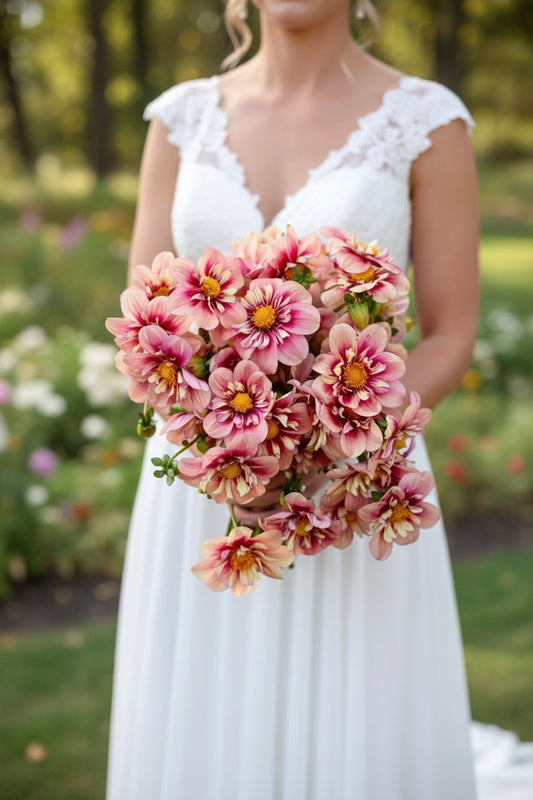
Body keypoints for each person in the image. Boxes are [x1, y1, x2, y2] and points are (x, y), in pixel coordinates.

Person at [106, 1, 481, 797]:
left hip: (352, 481)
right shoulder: (179, 119)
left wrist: (325, 439)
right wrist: (214, 429)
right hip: (205, 481)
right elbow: (141, 314)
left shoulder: (426, 121)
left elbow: (450, 334)